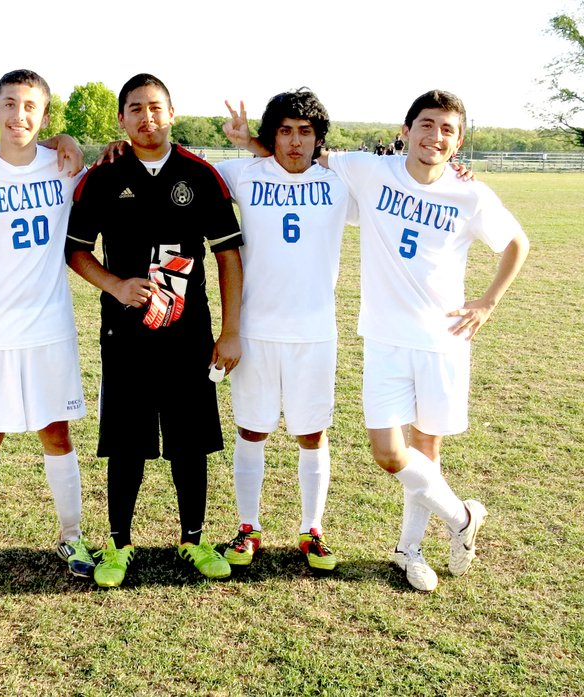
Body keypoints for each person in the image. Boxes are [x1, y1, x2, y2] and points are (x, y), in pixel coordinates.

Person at [226, 89, 528, 592]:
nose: (435, 136)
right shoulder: (355, 171)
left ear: (458, 141)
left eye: (447, 129)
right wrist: (254, 144)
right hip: (368, 338)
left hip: (428, 337)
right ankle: (458, 516)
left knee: (417, 446)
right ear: (406, 131)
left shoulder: (450, 191)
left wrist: (488, 301)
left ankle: (397, 546)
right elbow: (284, 159)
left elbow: (517, 240)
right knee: (373, 451)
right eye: (426, 125)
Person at [65, 73, 243, 588]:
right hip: (125, 336)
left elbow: (228, 254)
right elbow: (76, 251)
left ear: (171, 114)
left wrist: (230, 332)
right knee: (125, 443)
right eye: (136, 109)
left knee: (191, 441)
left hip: (189, 335)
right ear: (121, 119)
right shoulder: (102, 176)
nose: (147, 117)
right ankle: (118, 545)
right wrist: (116, 286)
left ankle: (193, 539)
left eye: (156, 108)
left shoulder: (201, 175)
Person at [0, 69, 94, 587]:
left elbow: (103, 160)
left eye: (30, 106)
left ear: (45, 116)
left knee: (57, 432)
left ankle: (72, 536)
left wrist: (69, 142)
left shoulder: (65, 165)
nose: (19, 116)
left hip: (49, 326)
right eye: (9, 104)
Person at [216, 90, 356, 572]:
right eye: (285, 131)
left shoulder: (340, 182)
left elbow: (406, 181)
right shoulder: (242, 173)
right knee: (251, 429)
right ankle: (248, 525)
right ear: (270, 135)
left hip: (315, 332)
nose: (295, 141)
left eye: (305, 132)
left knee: (311, 433)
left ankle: (312, 529)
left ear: (318, 139)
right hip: (255, 329)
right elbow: (175, 160)